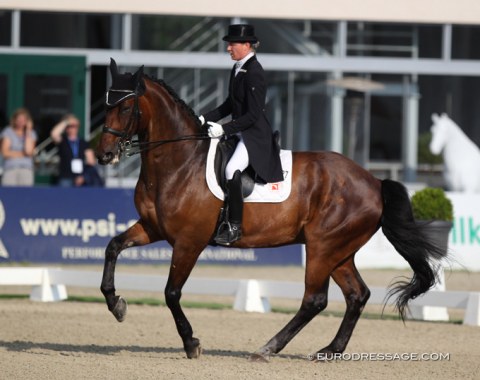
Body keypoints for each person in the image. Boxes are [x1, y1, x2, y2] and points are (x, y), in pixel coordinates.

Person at [200, 24, 283, 245]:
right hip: (240, 132)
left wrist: (224, 129)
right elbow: (230, 105)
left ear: (246, 45)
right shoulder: (238, 68)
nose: (228, 48)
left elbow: (254, 115)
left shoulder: (255, 72)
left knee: (231, 169)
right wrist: (203, 118)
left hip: (254, 136)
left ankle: (234, 226)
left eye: (232, 44)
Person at [51, 114, 102, 187]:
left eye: (74, 126)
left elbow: (91, 161)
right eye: (69, 126)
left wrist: (84, 176)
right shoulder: (63, 141)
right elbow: (54, 133)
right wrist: (66, 122)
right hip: (66, 177)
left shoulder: (83, 143)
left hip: (80, 177)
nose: (72, 129)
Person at [0, 107, 37, 186]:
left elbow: (28, 151)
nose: (21, 122)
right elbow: (5, 153)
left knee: (26, 195)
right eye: (19, 119)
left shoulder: (31, 133)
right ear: (14, 120)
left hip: (26, 168)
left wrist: (28, 130)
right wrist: (23, 154)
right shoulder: (8, 132)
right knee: (8, 194)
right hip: (10, 168)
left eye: (23, 120)